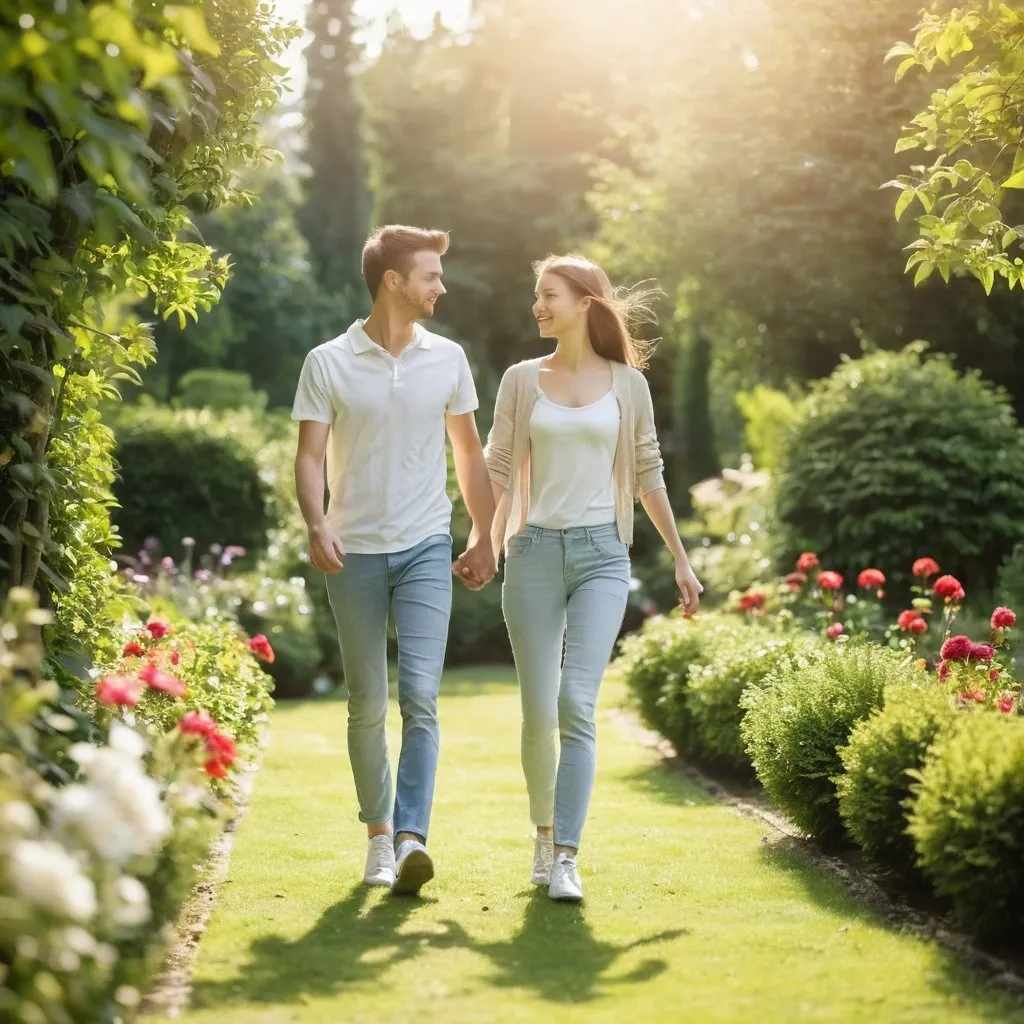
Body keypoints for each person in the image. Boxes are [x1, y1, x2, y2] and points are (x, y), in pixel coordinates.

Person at [483, 254, 703, 902]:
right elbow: (498, 471)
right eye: (536, 296)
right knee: (536, 710)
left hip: (603, 555)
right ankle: (544, 833)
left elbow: (648, 472)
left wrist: (682, 559)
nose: (538, 307)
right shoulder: (522, 380)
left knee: (577, 702)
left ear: (585, 302)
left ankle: (569, 856)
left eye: (548, 295)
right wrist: (482, 543)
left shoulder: (626, 386)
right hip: (532, 555)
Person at [292, 225, 496, 896]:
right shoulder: (328, 361)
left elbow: (468, 453)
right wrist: (318, 523)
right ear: (393, 282)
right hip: (352, 552)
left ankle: (411, 838)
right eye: (431, 275)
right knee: (366, 703)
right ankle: (378, 837)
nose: (441, 286)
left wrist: (482, 534)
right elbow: (311, 455)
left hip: (426, 545)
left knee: (421, 698)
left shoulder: (449, 358)